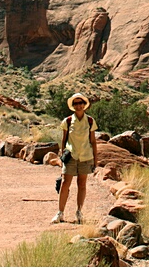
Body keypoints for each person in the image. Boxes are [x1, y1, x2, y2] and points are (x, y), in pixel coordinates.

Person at [51, 92, 98, 224]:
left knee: (82, 184)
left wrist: (96, 159)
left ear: (84, 105)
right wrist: (62, 156)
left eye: (80, 103)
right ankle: (60, 213)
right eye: (76, 103)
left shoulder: (90, 121)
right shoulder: (67, 121)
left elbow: (93, 141)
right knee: (65, 183)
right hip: (71, 155)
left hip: (85, 155)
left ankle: (79, 212)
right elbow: (64, 139)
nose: (78, 106)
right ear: (73, 106)